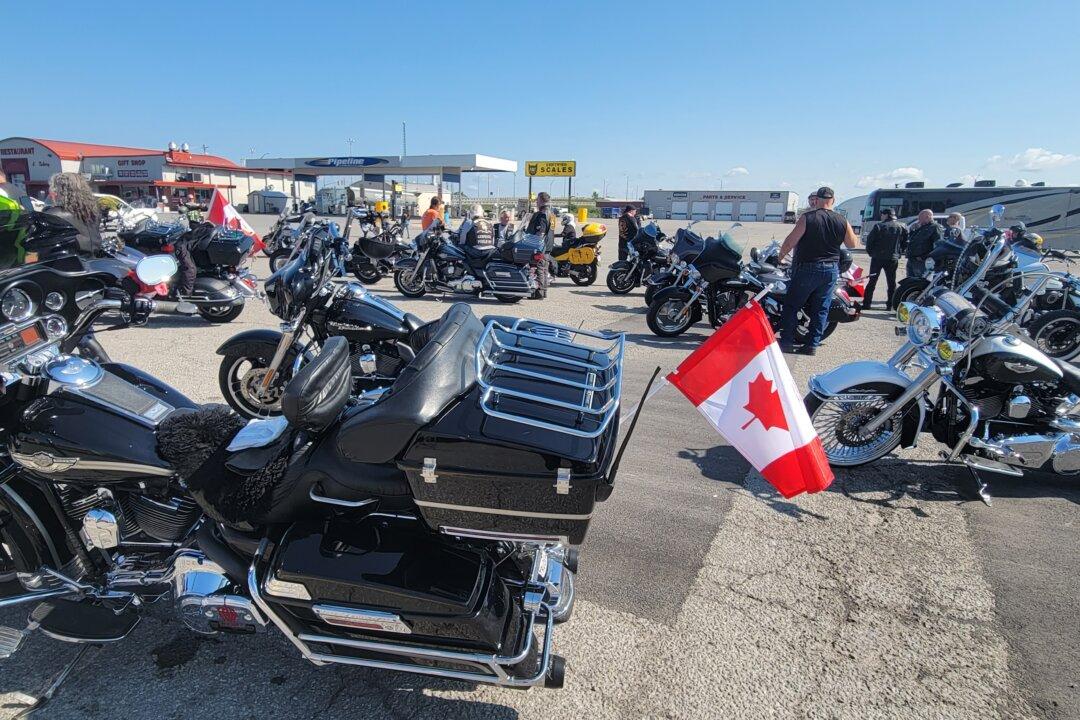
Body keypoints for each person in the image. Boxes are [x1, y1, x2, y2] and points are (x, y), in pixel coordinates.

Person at [776, 186, 858, 355]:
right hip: (830, 270)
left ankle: (786, 342)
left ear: (817, 200)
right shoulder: (842, 220)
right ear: (833, 200)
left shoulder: (808, 218)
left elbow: (791, 240)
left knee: (792, 305)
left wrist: (781, 257)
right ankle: (812, 345)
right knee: (821, 308)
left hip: (807, 268)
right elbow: (852, 244)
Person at [44, 172, 103, 257]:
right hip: (95, 258)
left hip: (70, 263)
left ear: (59, 192)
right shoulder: (93, 211)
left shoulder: (54, 214)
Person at [862, 208, 907, 310]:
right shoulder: (902, 226)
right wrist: (899, 253)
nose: (881, 216)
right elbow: (905, 242)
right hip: (893, 258)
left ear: (886, 215)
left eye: (882, 214)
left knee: (872, 281)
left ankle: (866, 304)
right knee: (891, 282)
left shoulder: (879, 226)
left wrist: (871, 252)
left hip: (877, 258)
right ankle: (890, 305)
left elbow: (870, 241)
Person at [905, 209, 942, 279]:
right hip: (912, 258)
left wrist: (925, 257)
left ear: (928, 217)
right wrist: (913, 230)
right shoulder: (921, 227)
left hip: (922, 260)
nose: (918, 220)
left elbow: (938, 245)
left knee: (920, 281)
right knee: (909, 281)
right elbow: (912, 240)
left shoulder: (935, 227)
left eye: (920, 218)